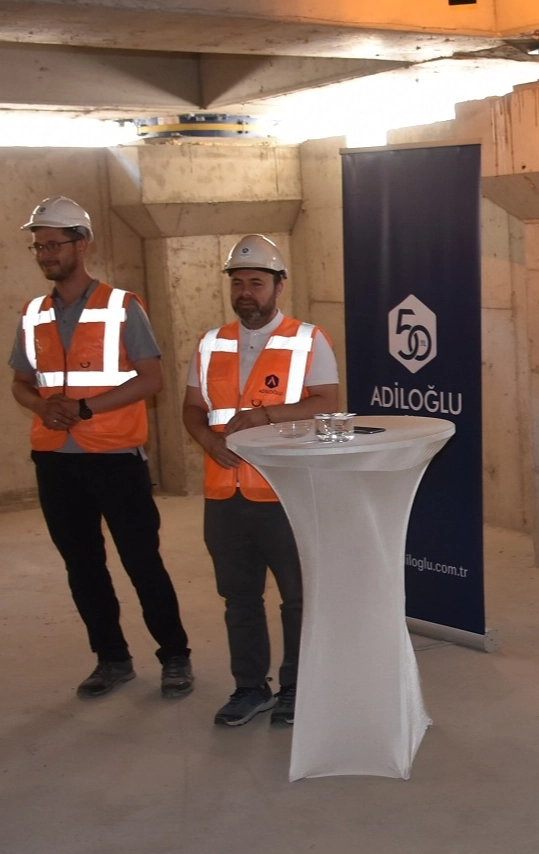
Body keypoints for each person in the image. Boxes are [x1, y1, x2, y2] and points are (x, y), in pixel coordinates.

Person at [9, 196, 193, 699]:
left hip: (115, 459)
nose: (45, 254)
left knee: (142, 562)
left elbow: (151, 379)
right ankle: (111, 659)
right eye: (38, 246)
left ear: (82, 244)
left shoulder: (122, 307)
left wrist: (85, 408)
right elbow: (21, 383)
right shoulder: (33, 313)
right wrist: (41, 406)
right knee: (83, 566)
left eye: (54, 244)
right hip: (55, 460)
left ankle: (175, 656)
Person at [182, 235, 339, 727]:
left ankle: (296, 688)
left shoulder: (308, 340)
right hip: (224, 492)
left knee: (297, 598)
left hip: (285, 493)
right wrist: (209, 442)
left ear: (278, 286)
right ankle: (250, 688)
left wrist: (263, 416)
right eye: (238, 283)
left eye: (256, 283)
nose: (245, 292)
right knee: (239, 598)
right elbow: (192, 408)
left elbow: (326, 401)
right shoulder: (211, 343)